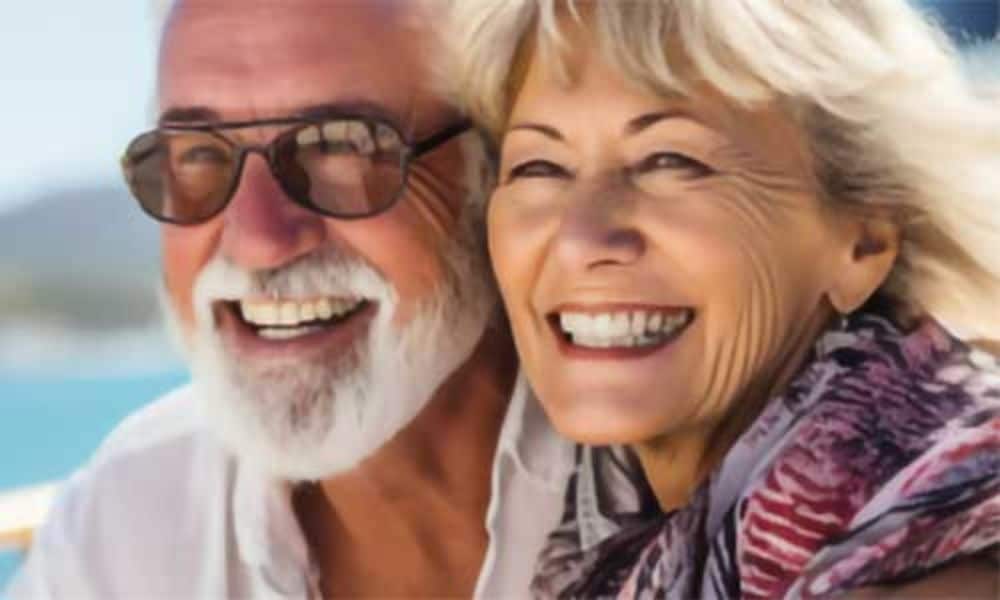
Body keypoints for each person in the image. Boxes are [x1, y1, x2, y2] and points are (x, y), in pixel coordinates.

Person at [8, 0, 573, 597]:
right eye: (200, 154)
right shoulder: (130, 519)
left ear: (492, 169)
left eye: (340, 147)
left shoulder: (662, 488)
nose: (258, 242)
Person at [449, 0, 1000, 597]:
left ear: (864, 241)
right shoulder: (615, 546)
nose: (582, 238)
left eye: (670, 161)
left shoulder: (945, 574)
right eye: (541, 166)